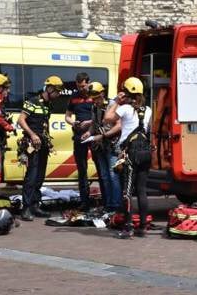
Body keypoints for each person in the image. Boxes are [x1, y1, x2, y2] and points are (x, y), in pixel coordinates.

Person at [100, 77, 152, 239]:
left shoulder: (126, 109)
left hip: (130, 153)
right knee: (142, 190)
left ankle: (128, 227)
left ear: (127, 93)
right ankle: (142, 227)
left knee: (127, 191)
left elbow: (107, 119)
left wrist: (116, 101)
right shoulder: (148, 109)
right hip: (145, 152)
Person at [17, 75, 64, 221]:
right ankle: (26, 208)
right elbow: (21, 120)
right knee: (31, 176)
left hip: (43, 145)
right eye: (57, 91)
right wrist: (32, 135)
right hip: (33, 144)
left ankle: (35, 206)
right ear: (49, 88)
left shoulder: (47, 104)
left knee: (40, 176)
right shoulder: (33, 102)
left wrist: (47, 141)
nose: (58, 94)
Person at [81, 82, 121, 215]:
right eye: (93, 98)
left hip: (112, 145)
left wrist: (104, 135)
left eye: (96, 98)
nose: (95, 101)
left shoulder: (111, 106)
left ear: (102, 94)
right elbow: (94, 123)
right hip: (100, 146)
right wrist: (89, 133)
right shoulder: (94, 107)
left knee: (113, 175)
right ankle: (108, 205)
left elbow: (119, 126)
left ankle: (116, 206)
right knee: (104, 176)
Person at [65, 73, 95, 213]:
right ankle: (85, 202)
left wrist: (88, 123)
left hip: (94, 134)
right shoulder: (74, 97)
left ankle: (107, 201)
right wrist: (74, 123)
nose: (81, 89)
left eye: (83, 86)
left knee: (101, 167)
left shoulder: (94, 95)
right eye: (78, 86)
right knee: (82, 170)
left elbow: (101, 115)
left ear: (88, 83)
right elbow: (67, 116)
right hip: (79, 136)